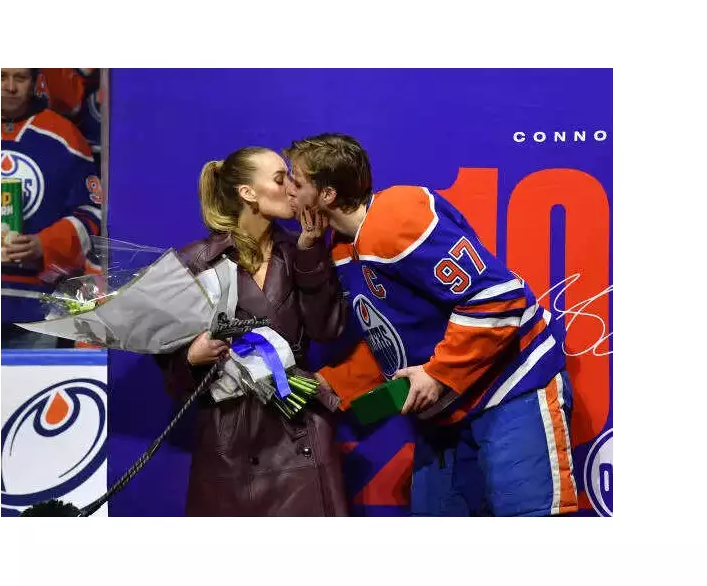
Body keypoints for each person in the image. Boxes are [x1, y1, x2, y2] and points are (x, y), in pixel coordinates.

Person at [285, 133, 578, 517]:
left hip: (511, 386)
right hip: (447, 413)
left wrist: (438, 374)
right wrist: (332, 384)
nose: (287, 189)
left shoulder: (398, 216)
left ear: (326, 194)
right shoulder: (341, 248)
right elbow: (392, 342)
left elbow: (498, 297)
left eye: (296, 182)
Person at [154, 146, 349, 516]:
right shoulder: (195, 262)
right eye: (280, 179)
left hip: (298, 425)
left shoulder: (301, 249)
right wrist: (190, 357)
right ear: (247, 193)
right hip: (230, 437)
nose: (292, 187)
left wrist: (311, 253)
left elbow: (327, 329)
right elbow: (168, 366)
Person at [1, 68, 103, 348]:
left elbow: (92, 213)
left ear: (35, 82)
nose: (10, 87)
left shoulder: (65, 137)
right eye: (1, 77)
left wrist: (45, 245)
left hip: (36, 310)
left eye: (20, 78)